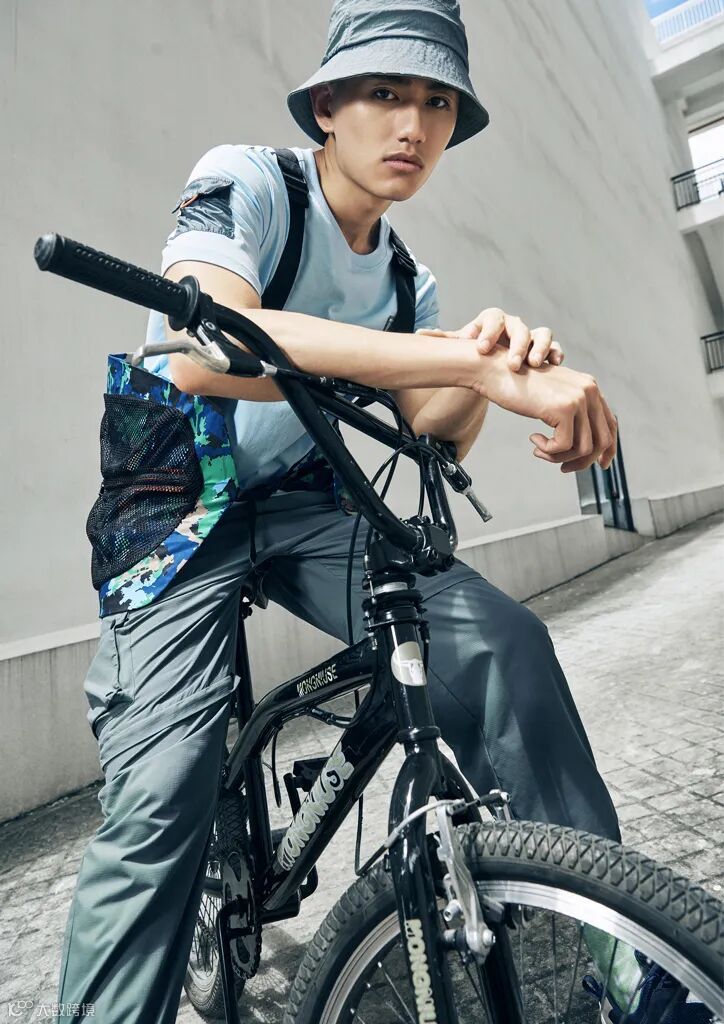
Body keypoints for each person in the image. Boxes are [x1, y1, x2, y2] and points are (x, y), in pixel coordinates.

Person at [55, 1, 695, 1021]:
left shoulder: (405, 280)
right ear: (325, 108)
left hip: (308, 500)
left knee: (502, 643)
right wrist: (464, 364)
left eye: (438, 104)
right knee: (163, 797)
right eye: (386, 92)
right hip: (175, 501)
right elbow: (206, 348)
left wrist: (487, 362)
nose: (413, 124)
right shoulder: (246, 181)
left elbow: (433, 431)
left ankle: (625, 964)